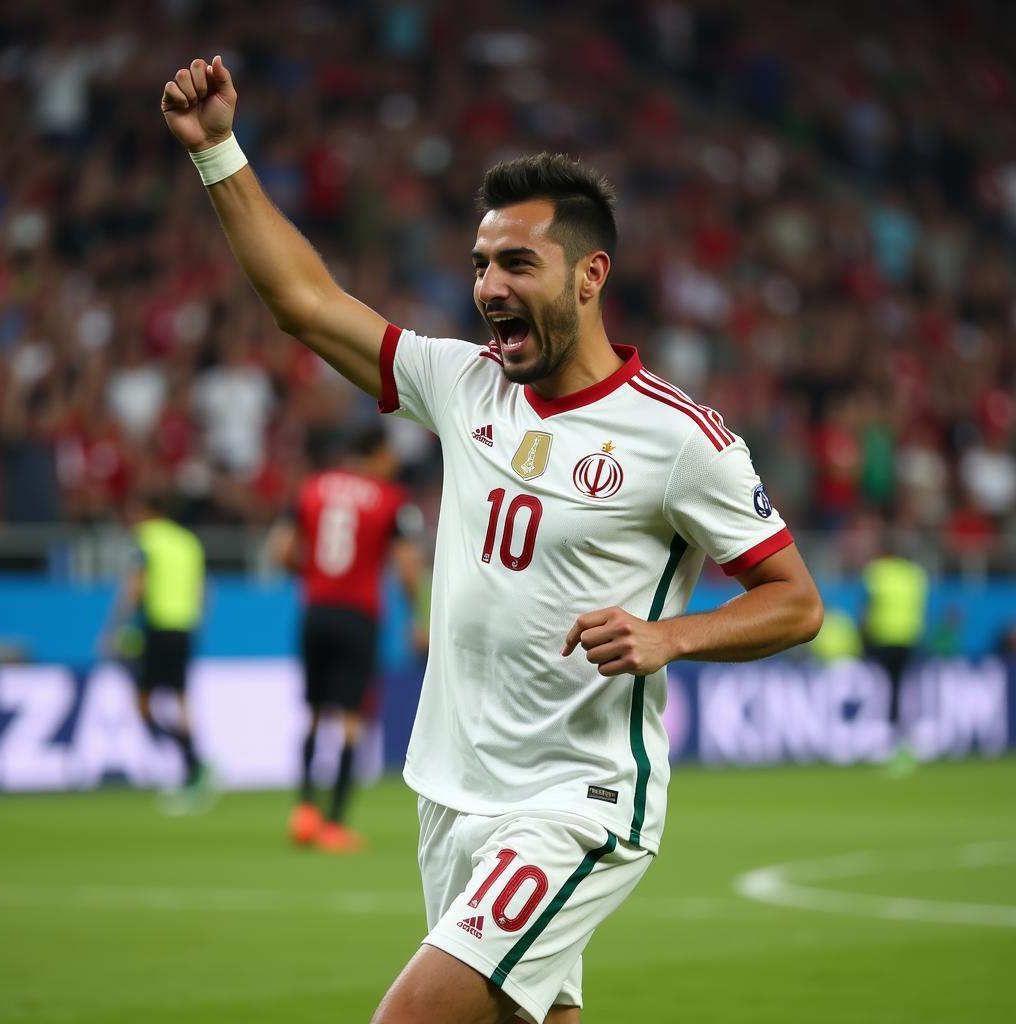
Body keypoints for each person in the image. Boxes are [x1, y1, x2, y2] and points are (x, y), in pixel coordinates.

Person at [161, 55, 823, 1024]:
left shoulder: (681, 440)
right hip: (450, 788)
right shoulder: (462, 383)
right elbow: (303, 303)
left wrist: (672, 637)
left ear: (590, 275)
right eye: (480, 263)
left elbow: (796, 599)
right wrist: (219, 151)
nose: (488, 285)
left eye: (517, 263)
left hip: (578, 800)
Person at [268, 423, 427, 853]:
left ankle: (304, 810)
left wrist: (315, 578)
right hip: (359, 616)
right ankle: (335, 825)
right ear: (376, 452)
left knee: (315, 714)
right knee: (352, 720)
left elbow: (281, 550)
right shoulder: (392, 500)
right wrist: (417, 614)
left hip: (315, 610)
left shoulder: (311, 489)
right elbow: (407, 566)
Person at [101, 491, 212, 811]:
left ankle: (194, 764)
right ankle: (195, 764)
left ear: (149, 512)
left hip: (157, 627)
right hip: (184, 627)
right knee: (180, 698)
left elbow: (137, 586)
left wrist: (114, 629)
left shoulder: (147, 539)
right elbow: (204, 588)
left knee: (144, 704)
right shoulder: (189, 542)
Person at [861, 529, 929, 775]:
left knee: (885, 690)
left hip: (882, 639)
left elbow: (868, 608)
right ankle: (910, 741)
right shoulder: (916, 574)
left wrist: (864, 636)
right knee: (905, 690)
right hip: (909, 638)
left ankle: (886, 744)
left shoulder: (877, 572)